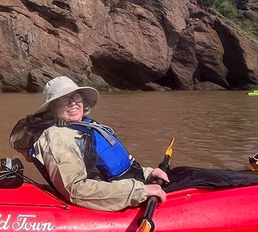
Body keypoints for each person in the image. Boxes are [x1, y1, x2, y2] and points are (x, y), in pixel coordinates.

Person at [13, 76, 168, 212]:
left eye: (76, 97)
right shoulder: (57, 137)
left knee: (189, 175)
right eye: (64, 99)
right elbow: (76, 190)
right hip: (119, 198)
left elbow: (105, 165)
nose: (73, 103)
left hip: (132, 185)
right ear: (53, 108)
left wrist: (147, 173)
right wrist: (139, 191)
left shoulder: (85, 125)